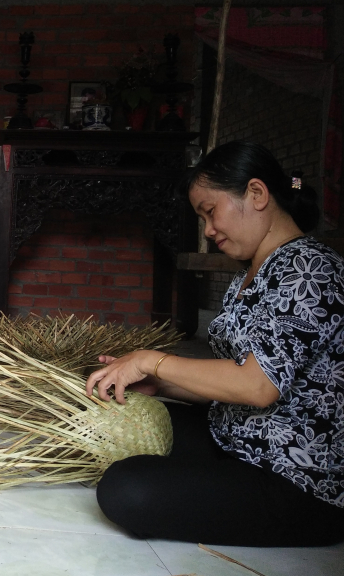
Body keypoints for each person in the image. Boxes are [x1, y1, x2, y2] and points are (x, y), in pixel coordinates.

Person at [85, 140, 344, 547]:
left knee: (126, 489)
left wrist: (152, 361)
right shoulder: (252, 275)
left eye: (211, 212)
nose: (208, 230)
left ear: (256, 194)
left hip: (292, 477)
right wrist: (163, 386)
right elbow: (230, 383)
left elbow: (257, 386)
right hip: (234, 438)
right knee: (119, 424)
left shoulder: (310, 269)